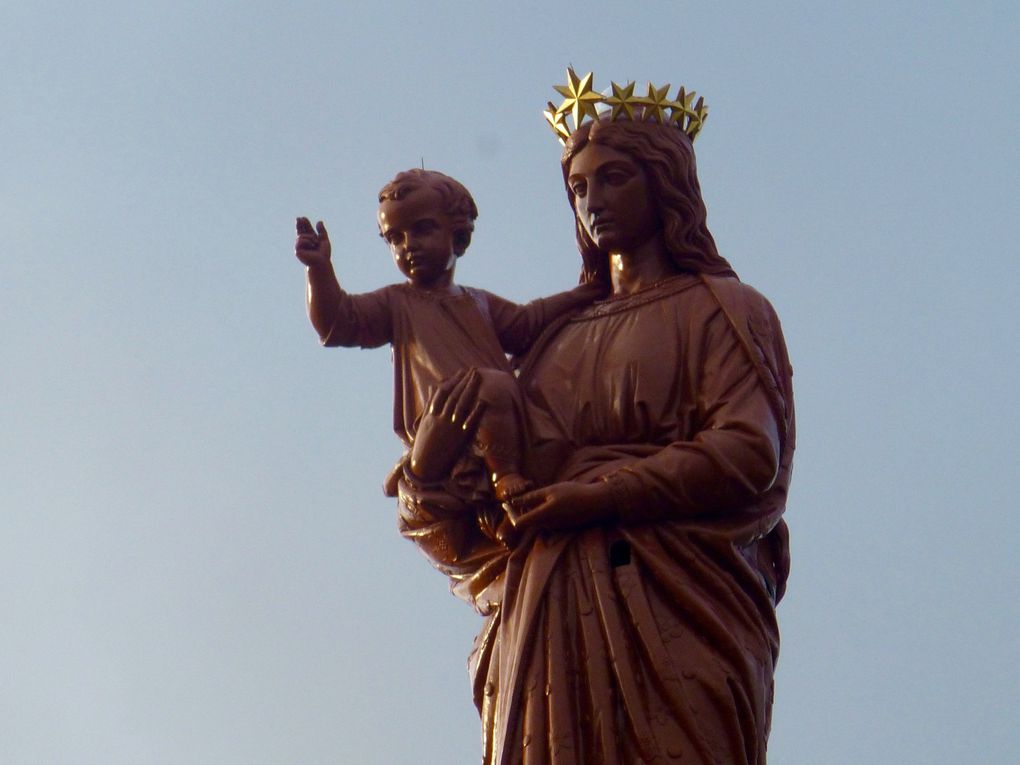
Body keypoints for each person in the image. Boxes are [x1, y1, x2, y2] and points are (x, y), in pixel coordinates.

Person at [393, 105, 795, 764]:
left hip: (680, 601)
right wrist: (427, 467)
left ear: (665, 184)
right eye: (579, 187)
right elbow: (480, 527)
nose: (593, 202)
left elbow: (748, 451)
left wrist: (599, 495)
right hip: (545, 616)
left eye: (615, 179)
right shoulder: (551, 343)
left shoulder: (721, 308)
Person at [295, 169, 602, 502]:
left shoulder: (478, 302)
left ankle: (503, 464)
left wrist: (584, 293)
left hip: (495, 409)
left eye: (422, 229)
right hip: (440, 414)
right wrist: (319, 270)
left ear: (458, 237)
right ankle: (504, 474)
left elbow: (527, 323)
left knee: (509, 391)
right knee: (494, 385)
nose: (408, 246)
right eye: (395, 238)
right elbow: (338, 322)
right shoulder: (396, 301)